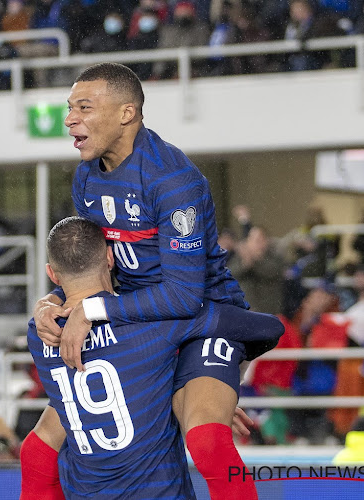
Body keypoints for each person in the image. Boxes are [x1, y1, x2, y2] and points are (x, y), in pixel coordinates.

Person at [32, 62, 279, 499]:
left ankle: (199, 397)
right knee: (38, 448)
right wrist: (52, 302)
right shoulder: (86, 176)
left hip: (199, 319)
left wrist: (90, 309)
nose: (70, 119)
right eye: (70, 108)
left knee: (205, 440)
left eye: (84, 107)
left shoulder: (173, 179)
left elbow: (184, 296)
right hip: (135, 321)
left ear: (127, 113)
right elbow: (93, 263)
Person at [24, 217, 283, 499]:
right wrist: (203, 383)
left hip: (86, 491)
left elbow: (118, 378)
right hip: (158, 493)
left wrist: (47, 302)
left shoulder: (39, 334)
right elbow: (268, 328)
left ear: (52, 274)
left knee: (39, 443)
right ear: (111, 257)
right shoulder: (150, 322)